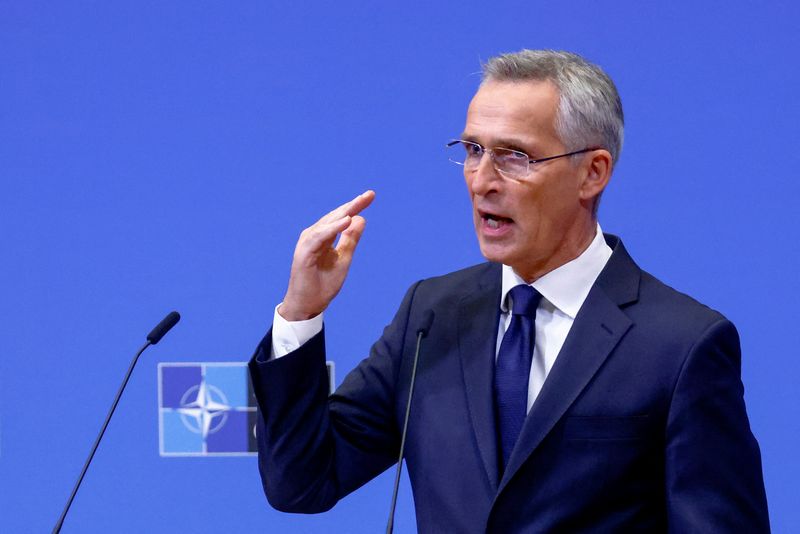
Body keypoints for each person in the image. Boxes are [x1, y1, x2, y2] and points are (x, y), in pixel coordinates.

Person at [248, 50, 770, 532]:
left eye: (515, 156)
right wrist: (301, 314)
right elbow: (302, 482)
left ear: (593, 172)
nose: (481, 181)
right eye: (473, 150)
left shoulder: (681, 344)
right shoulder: (430, 315)